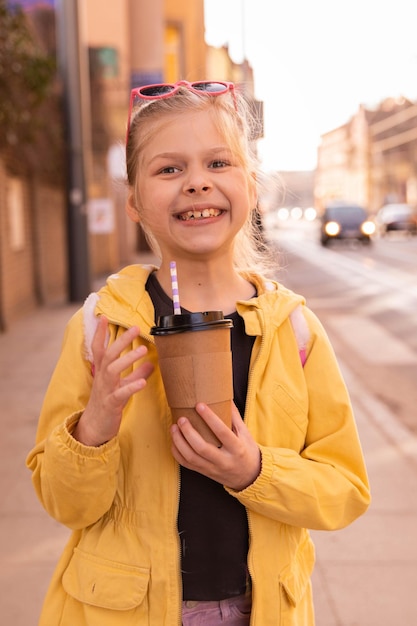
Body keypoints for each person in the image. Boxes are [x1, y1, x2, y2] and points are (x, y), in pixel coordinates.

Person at [26, 80, 370, 626]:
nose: (196, 184)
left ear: (251, 187)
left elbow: (345, 489)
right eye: (169, 169)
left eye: (218, 163)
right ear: (135, 203)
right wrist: (96, 422)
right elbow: (65, 505)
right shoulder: (101, 328)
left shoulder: (294, 332)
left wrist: (254, 470)